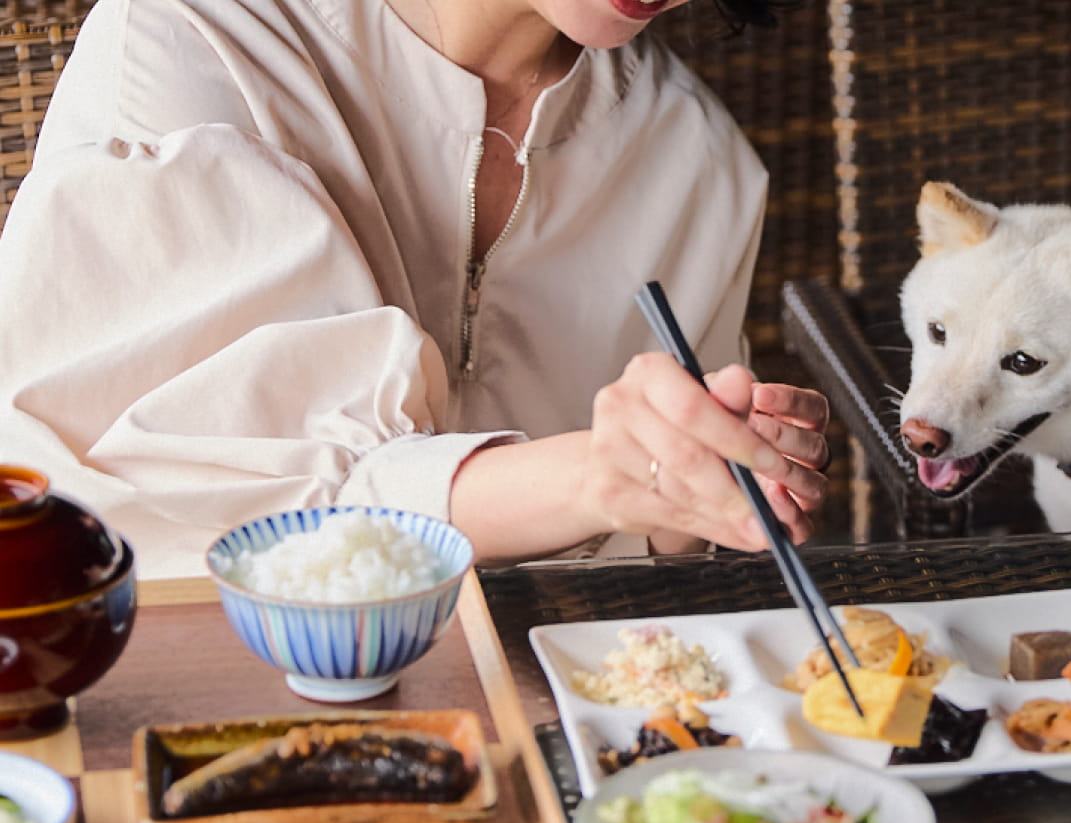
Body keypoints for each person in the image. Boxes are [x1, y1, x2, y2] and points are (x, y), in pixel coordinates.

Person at [0, 0, 829, 578]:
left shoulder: (698, 159)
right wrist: (595, 477)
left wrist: (715, 478)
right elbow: (211, 514)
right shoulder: (195, 37)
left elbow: (662, 571)